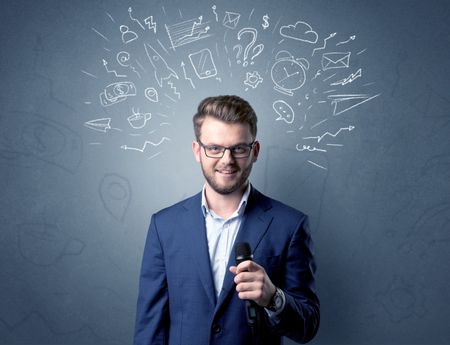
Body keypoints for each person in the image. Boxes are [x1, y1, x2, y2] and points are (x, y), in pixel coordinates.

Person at [134, 95, 319, 345]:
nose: (227, 160)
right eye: (215, 148)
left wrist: (273, 297)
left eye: (238, 148)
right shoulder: (164, 226)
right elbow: (150, 328)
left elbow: (308, 326)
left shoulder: (290, 225)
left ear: (254, 151)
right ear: (197, 150)